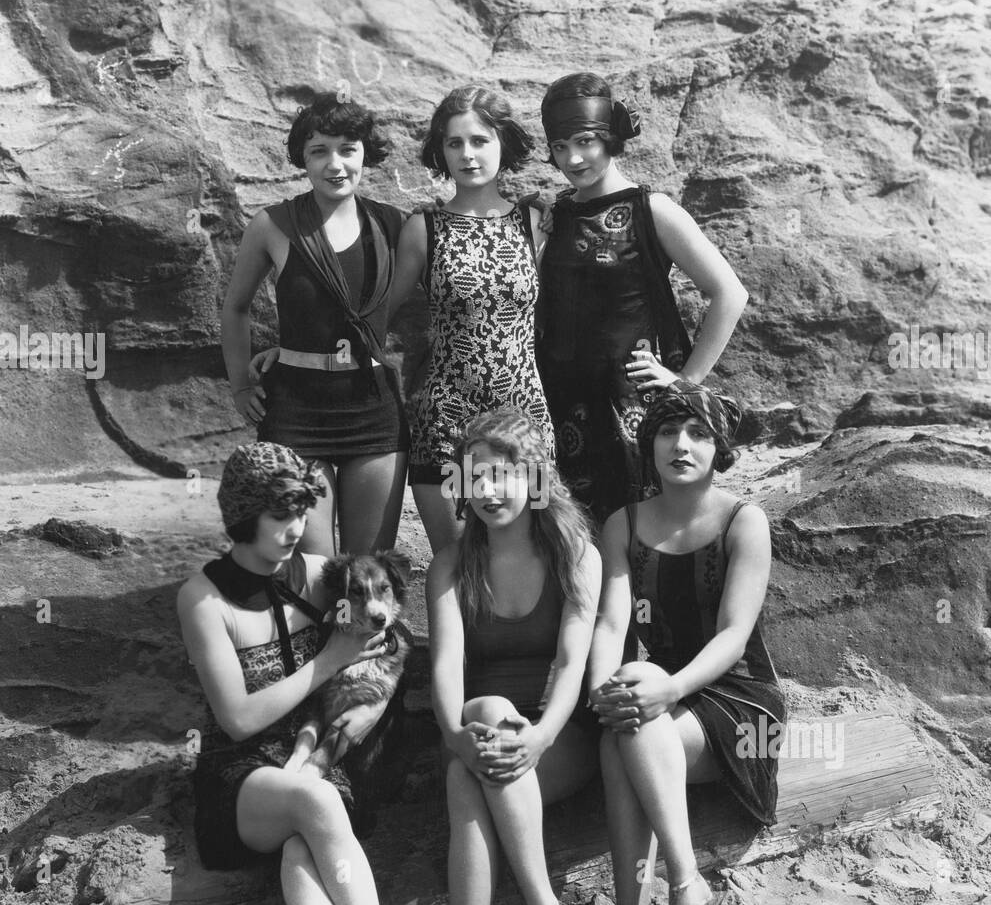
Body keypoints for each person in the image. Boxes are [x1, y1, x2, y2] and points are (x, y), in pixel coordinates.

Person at [178, 442, 451, 905]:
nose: (295, 529)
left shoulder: (327, 572)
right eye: (279, 516)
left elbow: (393, 632)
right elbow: (239, 720)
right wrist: (330, 660)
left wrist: (367, 696)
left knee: (306, 850)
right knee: (313, 808)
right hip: (241, 781)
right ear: (243, 516)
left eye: (301, 511)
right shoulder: (202, 598)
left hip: (321, 763)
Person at [587, 380, 786, 905]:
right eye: (668, 432)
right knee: (621, 723)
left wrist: (666, 688)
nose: (681, 444)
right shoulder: (622, 524)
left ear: (720, 445)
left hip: (740, 701)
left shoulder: (742, 520)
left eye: (698, 433)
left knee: (632, 722)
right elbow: (612, 622)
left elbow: (733, 635)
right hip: (664, 702)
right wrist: (600, 686)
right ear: (648, 445)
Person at [426, 410, 602, 905]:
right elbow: (446, 666)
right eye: (476, 477)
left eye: (502, 474)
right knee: (484, 716)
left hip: (561, 739)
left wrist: (542, 735)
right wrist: (455, 734)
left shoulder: (576, 553)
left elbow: (570, 661)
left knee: (469, 775)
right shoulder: (449, 565)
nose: (490, 490)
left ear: (535, 480)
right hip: (479, 734)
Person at [537, 72, 750, 524]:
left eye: (584, 141)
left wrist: (685, 382)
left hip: (634, 408)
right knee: (574, 541)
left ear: (610, 138)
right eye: (559, 146)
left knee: (642, 536)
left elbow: (730, 293)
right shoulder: (553, 216)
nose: (572, 158)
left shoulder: (652, 210)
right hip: (562, 406)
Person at [221, 96, 409, 556]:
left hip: (374, 413)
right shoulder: (273, 224)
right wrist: (242, 387)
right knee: (314, 568)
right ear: (302, 159)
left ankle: (361, 633)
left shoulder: (394, 225)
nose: (335, 164)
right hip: (296, 415)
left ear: (366, 153)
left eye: (348, 149)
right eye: (319, 151)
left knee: (368, 568)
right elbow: (235, 308)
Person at [392, 85, 556, 553]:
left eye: (480, 140)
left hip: (525, 416)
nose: (467, 154)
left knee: (535, 560)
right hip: (445, 418)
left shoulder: (537, 221)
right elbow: (373, 317)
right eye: (454, 143)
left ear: (503, 142)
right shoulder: (423, 228)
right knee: (459, 562)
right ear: (440, 151)